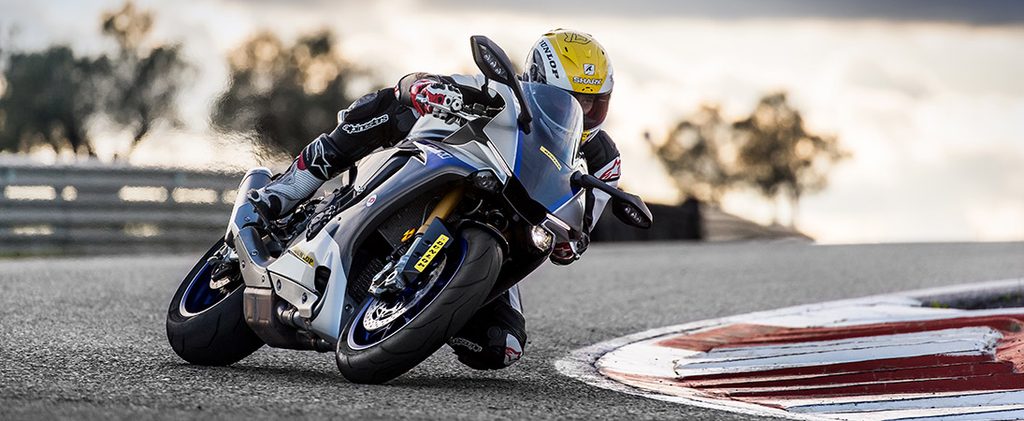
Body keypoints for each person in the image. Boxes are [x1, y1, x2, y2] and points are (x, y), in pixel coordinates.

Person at [248, 29, 621, 370]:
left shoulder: (604, 160)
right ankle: (292, 186)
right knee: (394, 105)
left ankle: (424, 306)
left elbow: (582, 224)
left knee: (499, 347)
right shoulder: (501, 94)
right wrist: (427, 90)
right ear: (536, 81)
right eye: (573, 100)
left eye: (592, 104)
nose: (583, 112)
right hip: (455, 171)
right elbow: (416, 82)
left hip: (508, 228)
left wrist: (571, 241)